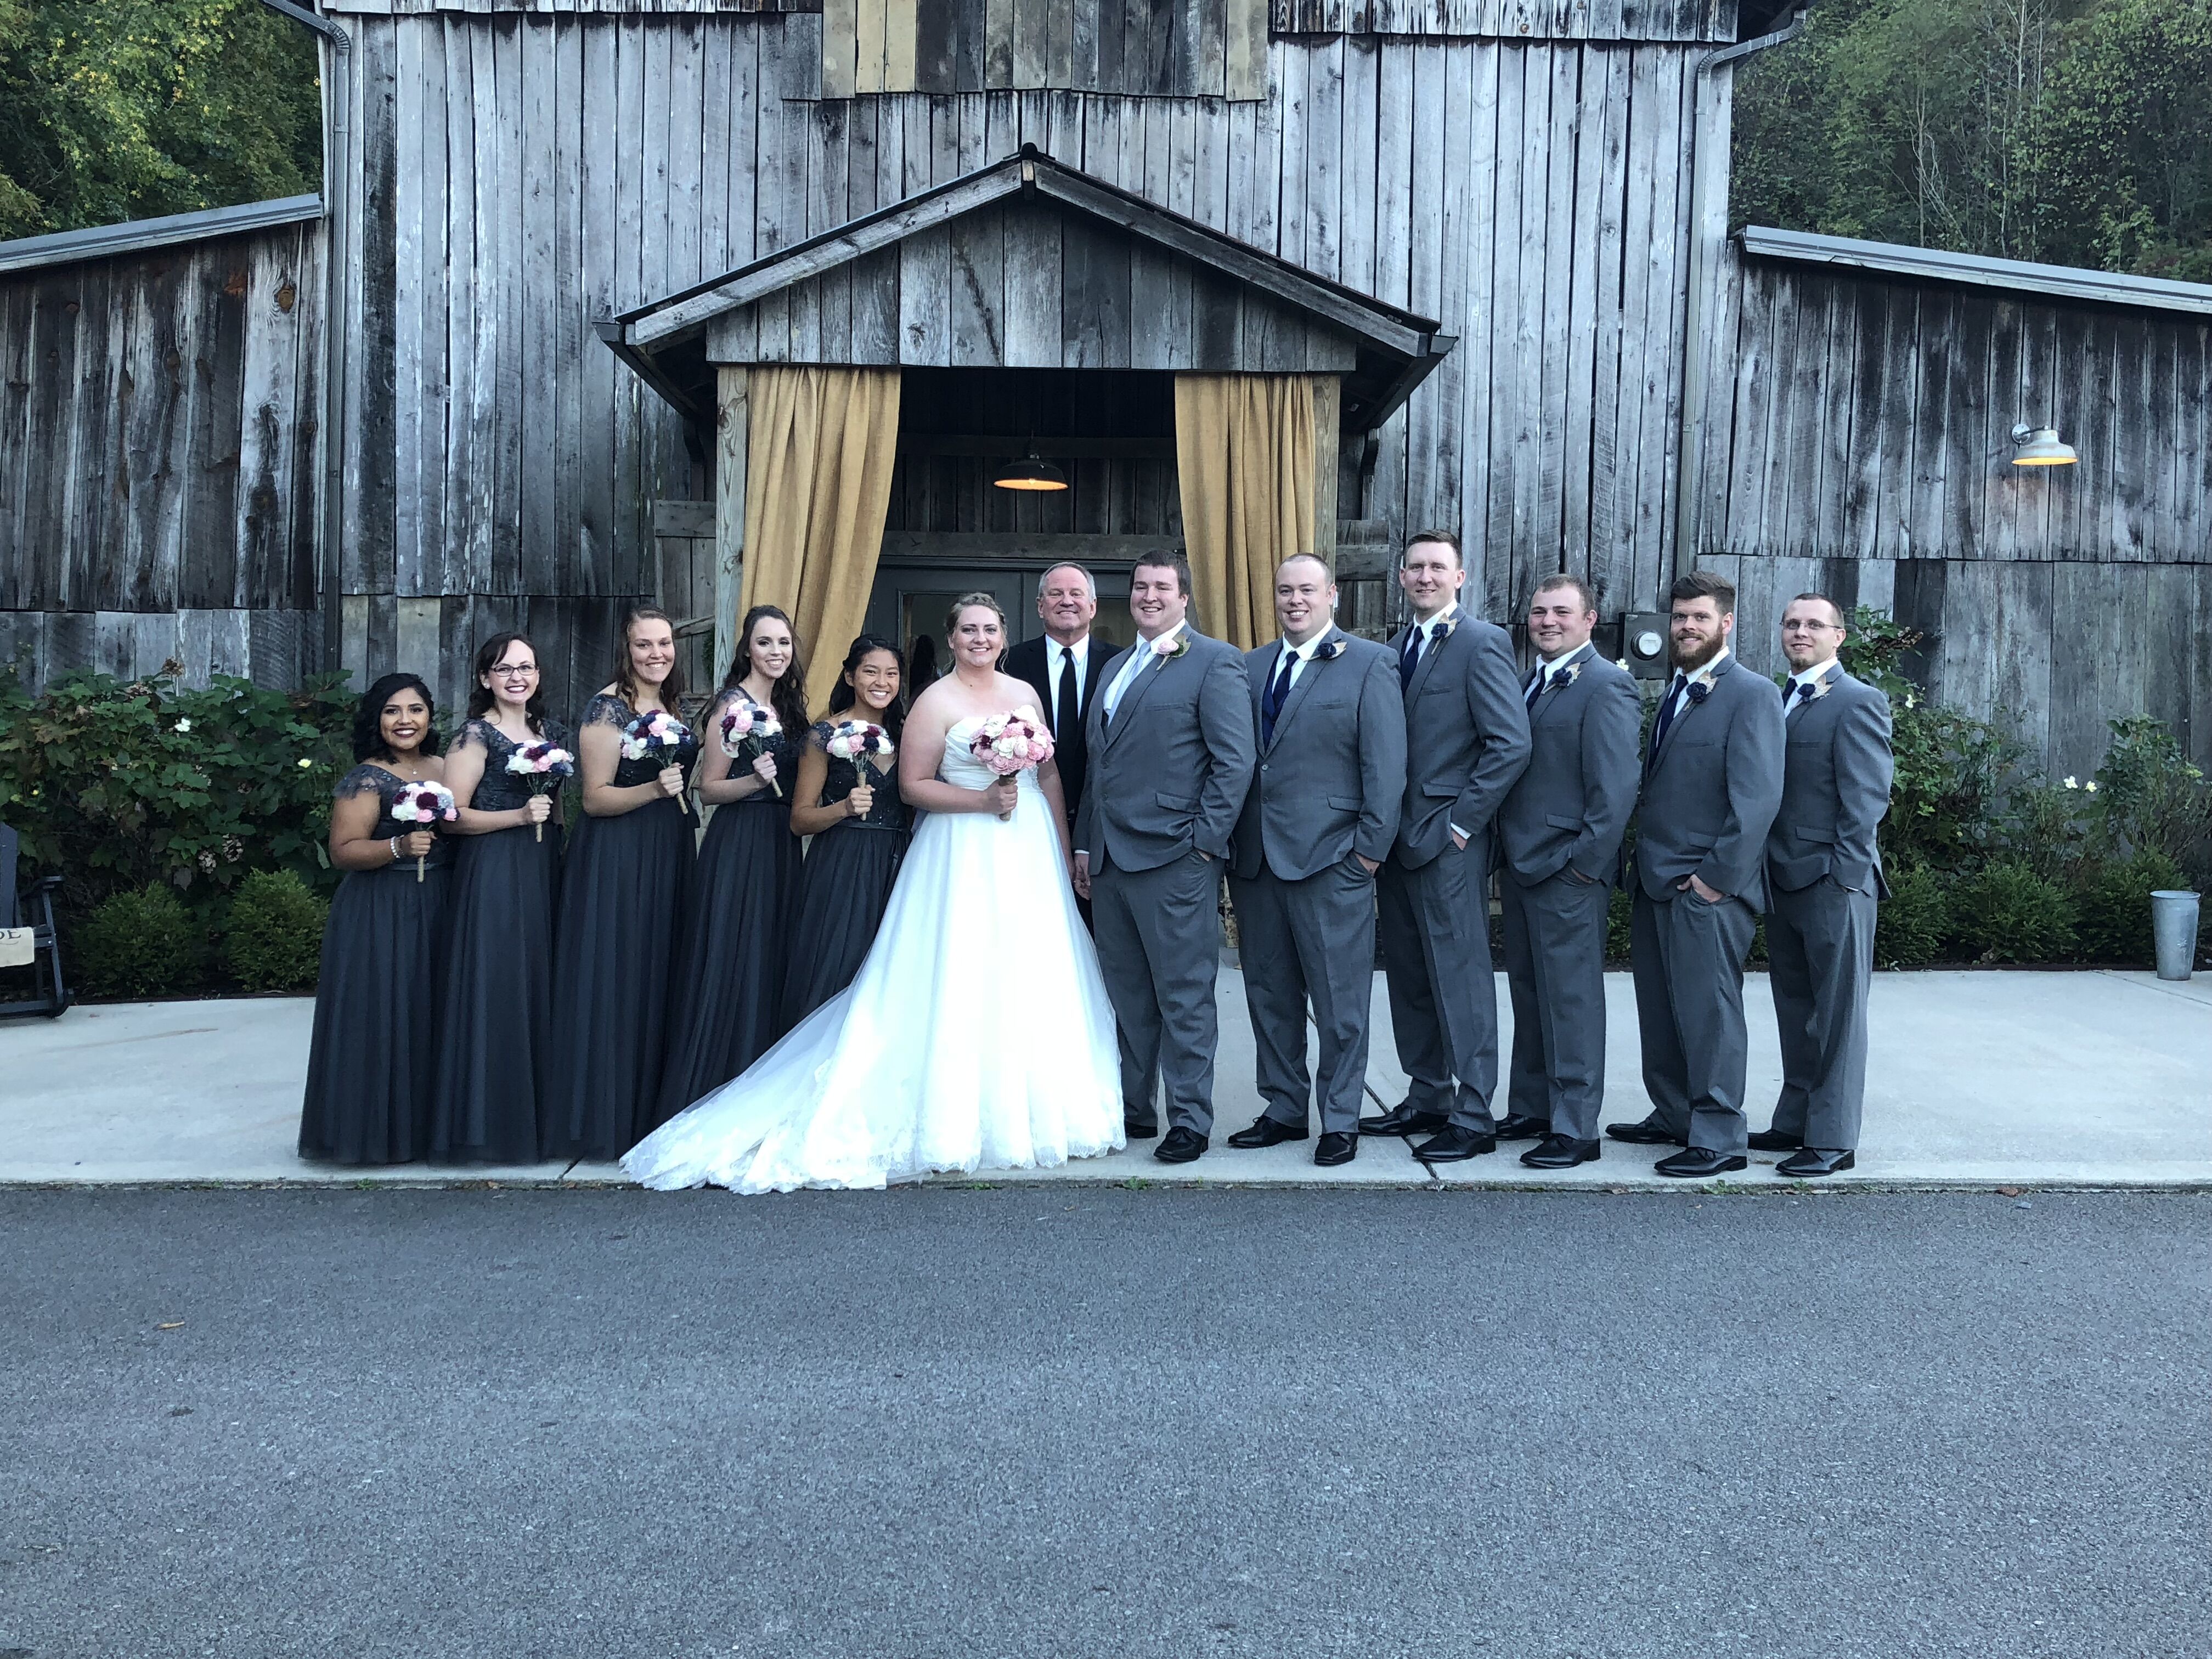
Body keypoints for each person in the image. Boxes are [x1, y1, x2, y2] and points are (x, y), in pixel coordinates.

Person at [622, 594, 1122, 1192]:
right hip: (963, 848)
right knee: (960, 970)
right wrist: (983, 800)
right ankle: (954, 1114)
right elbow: (912, 788)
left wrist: (1063, 850)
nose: (980, 639)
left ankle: (1037, 1109)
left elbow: (1048, 774)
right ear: (952, 638)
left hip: (1028, 849)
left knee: (1027, 969)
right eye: (968, 630)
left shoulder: (1025, 695)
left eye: (990, 629)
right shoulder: (934, 701)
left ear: (1004, 636)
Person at [1073, 551, 1257, 1164]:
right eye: (1140, 586)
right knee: (1126, 994)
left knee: (1184, 995)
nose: (1148, 596)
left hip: (1177, 857)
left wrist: (1204, 842)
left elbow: (1234, 762)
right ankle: (1135, 1107)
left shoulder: (1214, 661)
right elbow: (1099, 766)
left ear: (1183, 597)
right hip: (1110, 860)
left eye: (1161, 587)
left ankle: (1190, 1119)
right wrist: (1085, 842)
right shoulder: (1115, 666)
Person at [1223, 555, 1404, 1169]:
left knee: (1339, 1002)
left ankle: (1341, 1118)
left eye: (1307, 589)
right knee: (1269, 993)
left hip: (1333, 859)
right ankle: (1283, 1107)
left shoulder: (1370, 663)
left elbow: (1386, 767)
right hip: (1256, 861)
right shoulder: (1249, 667)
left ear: (1332, 596)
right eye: (1285, 591)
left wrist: (1368, 854)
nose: (1295, 600)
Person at [1360, 531, 1531, 1163]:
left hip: (1447, 841)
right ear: (1402, 578)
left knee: (1461, 979)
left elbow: (1509, 743)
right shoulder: (1391, 651)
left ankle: (1474, 1113)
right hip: (1394, 841)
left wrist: (1462, 824)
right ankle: (1428, 1094)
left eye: (1438, 567)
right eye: (1415, 567)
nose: (1425, 576)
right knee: (1409, 977)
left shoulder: (1481, 643)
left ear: (1460, 578)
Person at [1610, 569, 1785, 1178]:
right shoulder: (1676, 691)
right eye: (1680, 617)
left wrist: (1716, 879)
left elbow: (1757, 800)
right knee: (1661, 1010)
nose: (1686, 626)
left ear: (1726, 623)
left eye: (1700, 617)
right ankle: (1675, 1115)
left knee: (1710, 1015)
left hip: (1706, 889)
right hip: (1656, 881)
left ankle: (1718, 1137)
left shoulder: (1753, 694)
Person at [1492, 575, 1640, 1170]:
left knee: (1571, 1001)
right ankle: (1532, 1108)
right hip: (1523, 865)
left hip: (1567, 870)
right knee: (1530, 994)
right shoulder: (1529, 683)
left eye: (1560, 612)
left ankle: (1576, 1127)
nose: (1547, 621)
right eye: (1538, 612)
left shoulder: (1607, 685)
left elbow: (1616, 789)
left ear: (1589, 619)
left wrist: (1584, 866)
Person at [541, 607, 698, 1162]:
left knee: (659, 970)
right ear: (626, 650)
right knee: (620, 975)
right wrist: (655, 790)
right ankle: (606, 1117)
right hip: (620, 854)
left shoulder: (670, 705)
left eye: (664, 643)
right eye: (644, 645)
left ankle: (649, 1108)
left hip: (668, 848)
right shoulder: (608, 708)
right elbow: (596, 798)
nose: (657, 654)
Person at [1750, 593, 1894, 1177]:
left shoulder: (1858, 701)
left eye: (1814, 624)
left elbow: (1866, 799)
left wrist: (1846, 878)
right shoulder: (1777, 698)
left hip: (1835, 883)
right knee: (1795, 1008)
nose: (1800, 632)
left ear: (1839, 637)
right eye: (1792, 624)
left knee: (1838, 1017)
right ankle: (1796, 1120)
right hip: (1783, 878)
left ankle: (1833, 1139)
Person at [658, 605, 809, 1118]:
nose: (776, 652)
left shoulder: (785, 705)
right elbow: (709, 789)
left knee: (769, 951)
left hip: (779, 842)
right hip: (742, 839)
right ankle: (717, 1081)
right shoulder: (732, 705)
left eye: (783, 642)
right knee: (736, 951)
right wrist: (755, 780)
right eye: (765, 642)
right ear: (747, 648)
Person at [298, 673, 450, 1165]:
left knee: (430, 1013)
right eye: (392, 711)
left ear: (430, 717)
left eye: (415, 710)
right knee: (385, 1016)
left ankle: (428, 1131)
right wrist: (397, 846)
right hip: (381, 908)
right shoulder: (366, 777)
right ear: (376, 720)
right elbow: (343, 850)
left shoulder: (445, 768)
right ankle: (375, 1135)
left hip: (439, 903)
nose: (405, 721)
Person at [428, 634, 569, 1164]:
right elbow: (450, 816)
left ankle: (534, 1117)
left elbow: (556, 808)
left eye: (526, 668)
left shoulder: (548, 732)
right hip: (492, 868)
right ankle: (485, 1124)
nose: (517, 677)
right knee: (497, 982)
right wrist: (516, 817)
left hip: (540, 866)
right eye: (505, 669)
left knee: (537, 981)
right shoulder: (474, 736)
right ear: (485, 678)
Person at [780, 633, 912, 1025]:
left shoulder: (907, 734)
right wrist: (843, 808)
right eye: (871, 672)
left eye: (891, 674)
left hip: (899, 861)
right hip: (843, 862)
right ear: (851, 677)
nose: (882, 682)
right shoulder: (824, 736)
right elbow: (800, 820)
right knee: (837, 963)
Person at [1003, 562, 1111, 837]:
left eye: (1076, 593)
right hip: (1026, 816)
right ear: (1041, 606)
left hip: (1102, 818)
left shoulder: (1119, 663)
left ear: (1093, 607)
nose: (1067, 601)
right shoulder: (1008, 664)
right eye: (1056, 593)